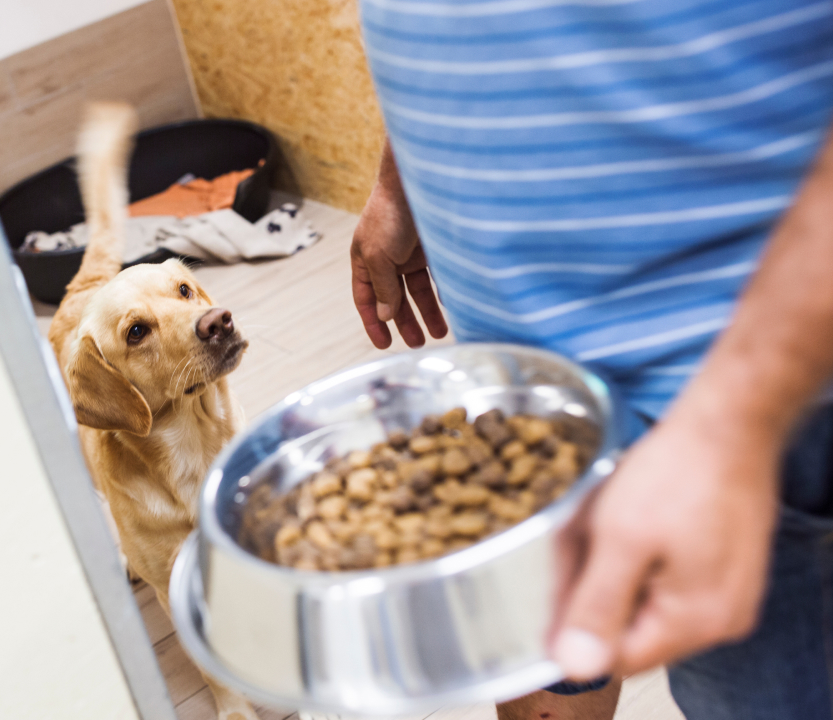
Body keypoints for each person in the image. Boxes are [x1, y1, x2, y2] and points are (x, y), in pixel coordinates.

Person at [349, 1, 833, 719]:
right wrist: (401, 175)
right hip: (514, 379)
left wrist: (733, 419)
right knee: (546, 674)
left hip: (755, 390)